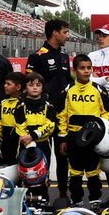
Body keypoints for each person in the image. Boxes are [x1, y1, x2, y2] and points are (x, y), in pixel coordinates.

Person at [57, 53, 109, 203]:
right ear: (74, 70)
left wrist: (101, 132)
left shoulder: (99, 90)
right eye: (82, 68)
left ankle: (95, 200)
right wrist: (63, 139)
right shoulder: (67, 90)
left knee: (93, 171)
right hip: (73, 137)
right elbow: (62, 116)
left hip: (93, 138)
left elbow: (107, 113)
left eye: (89, 68)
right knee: (75, 172)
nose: (86, 71)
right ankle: (76, 201)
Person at [27, 18, 74, 199]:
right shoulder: (38, 56)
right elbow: (29, 86)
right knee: (41, 154)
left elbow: (68, 84)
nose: (67, 36)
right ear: (55, 33)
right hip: (42, 115)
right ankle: (41, 194)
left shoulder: (64, 57)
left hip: (62, 115)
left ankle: (63, 193)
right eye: (65, 32)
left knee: (63, 155)